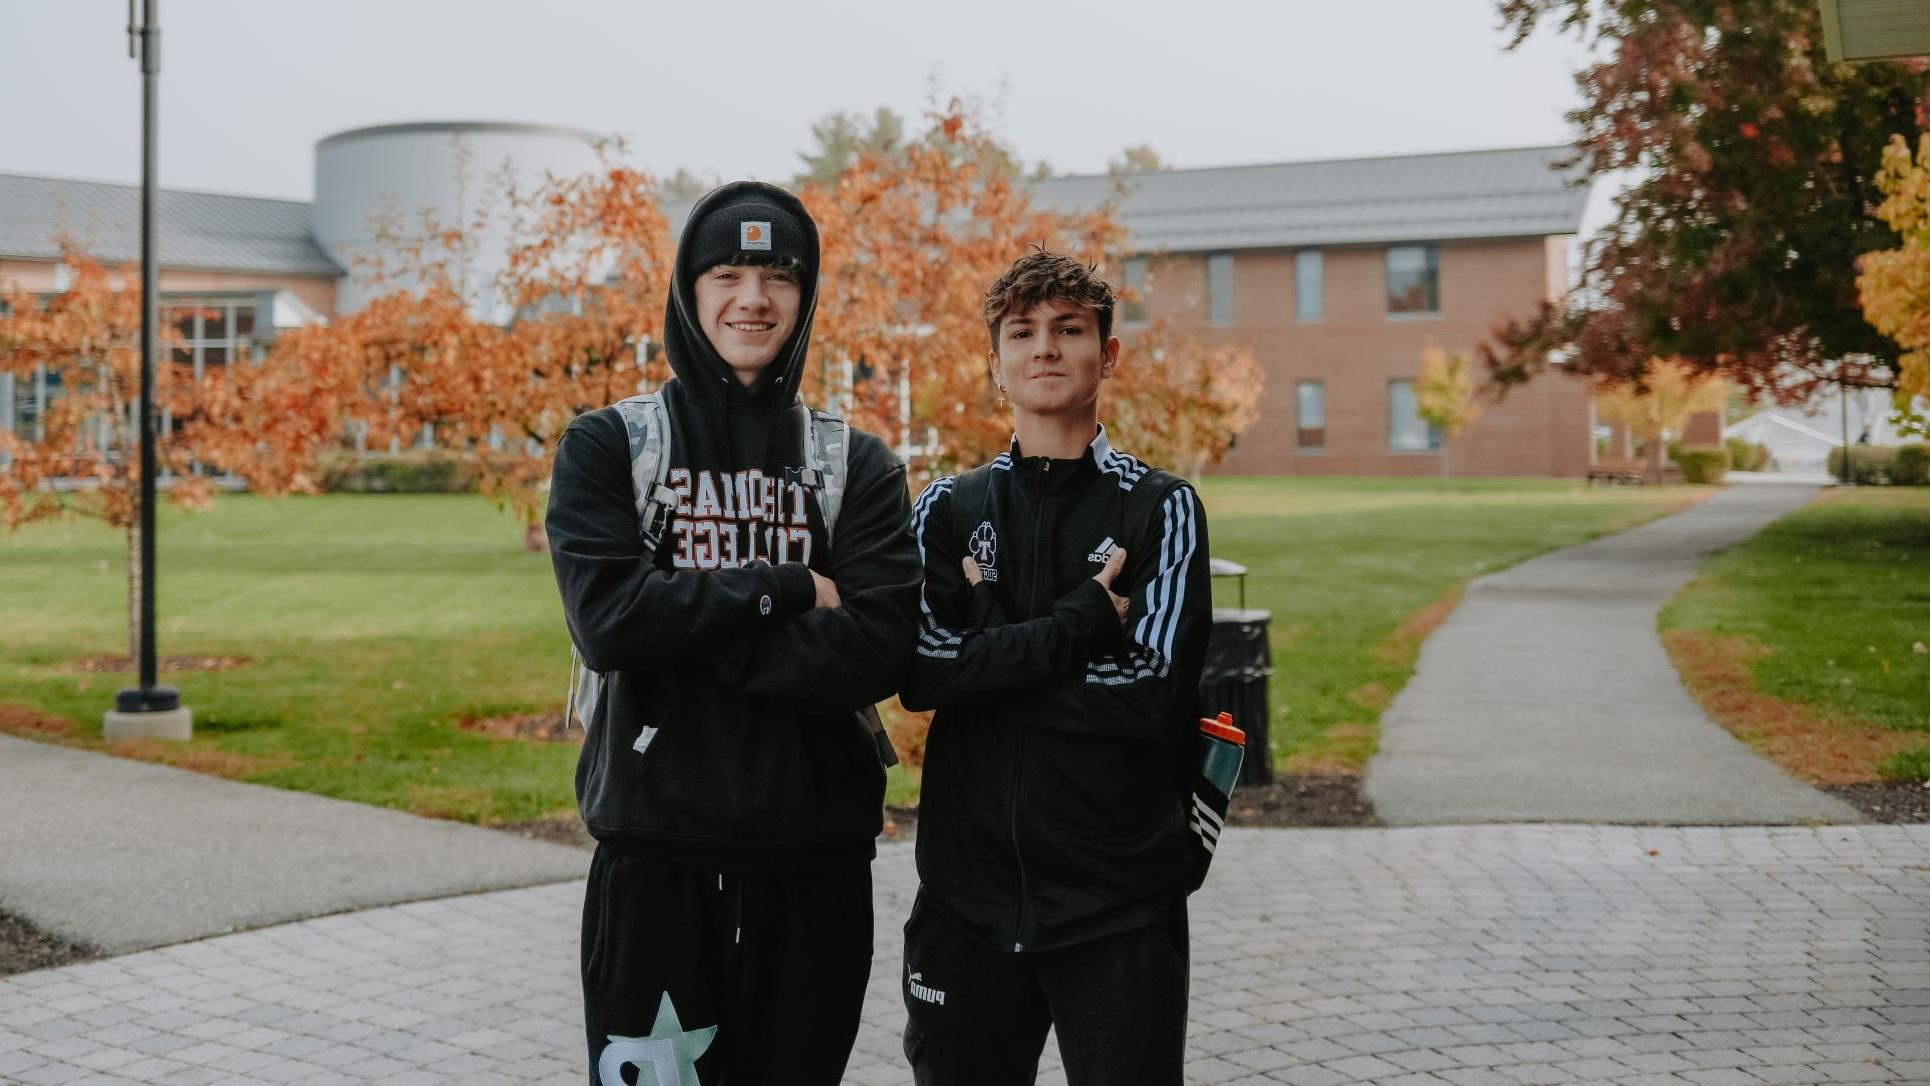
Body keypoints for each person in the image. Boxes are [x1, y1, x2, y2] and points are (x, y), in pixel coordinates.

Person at [545, 180, 921, 1086]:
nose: (753, 298)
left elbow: (880, 647)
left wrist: (678, 619)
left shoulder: (853, 463)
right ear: (688, 287)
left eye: (779, 276)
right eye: (728, 272)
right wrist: (787, 585)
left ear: (806, 295)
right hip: (655, 864)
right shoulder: (610, 446)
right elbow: (608, 624)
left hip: (814, 868)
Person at [899, 249, 1213, 1085]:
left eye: (1069, 330)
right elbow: (924, 674)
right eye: (1023, 332)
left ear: (1107, 355)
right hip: (964, 907)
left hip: (1117, 909)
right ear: (994, 363)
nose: (1045, 348)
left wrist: (988, 652)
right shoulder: (947, 507)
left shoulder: (1161, 508)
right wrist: (1078, 624)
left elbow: (1149, 695)